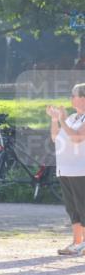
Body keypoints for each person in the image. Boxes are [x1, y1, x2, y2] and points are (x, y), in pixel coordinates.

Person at [47, 84, 85, 255]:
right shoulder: (73, 118)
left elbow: (77, 137)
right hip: (66, 169)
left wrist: (62, 120)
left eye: (73, 95)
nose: (71, 98)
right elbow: (56, 137)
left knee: (83, 206)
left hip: (81, 169)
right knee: (73, 208)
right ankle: (77, 242)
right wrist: (55, 120)